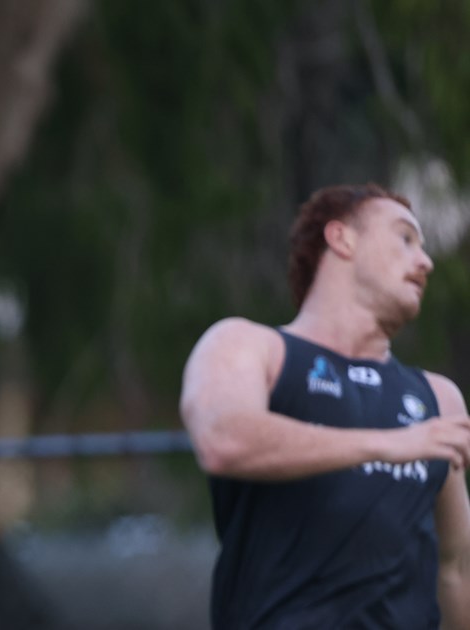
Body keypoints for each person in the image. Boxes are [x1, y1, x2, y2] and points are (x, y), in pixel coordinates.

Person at [180, 183, 470, 628]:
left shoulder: (439, 399)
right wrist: (387, 444)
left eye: (424, 248)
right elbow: (223, 439)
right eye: (405, 238)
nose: (425, 262)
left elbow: (456, 569)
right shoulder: (249, 346)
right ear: (341, 239)